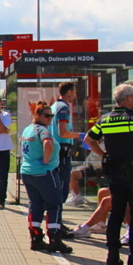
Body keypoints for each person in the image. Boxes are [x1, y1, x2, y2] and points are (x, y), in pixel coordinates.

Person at [85, 83, 133, 265]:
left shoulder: (105, 120)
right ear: (128, 98)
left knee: (116, 213)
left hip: (116, 172)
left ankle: (112, 256)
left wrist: (104, 155)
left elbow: (88, 140)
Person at [20, 101, 72, 253]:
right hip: (44, 172)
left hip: (27, 172)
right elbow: (48, 144)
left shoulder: (27, 130)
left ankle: (35, 238)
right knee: (54, 204)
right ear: (37, 116)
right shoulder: (43, 131)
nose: (50, 118)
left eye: (52, 116)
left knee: (35, 204)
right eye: (46, 115)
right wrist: (46, 160)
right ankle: (54, 239)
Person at [51, 82, 81, 237]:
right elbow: (63, 132)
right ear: (69, 92)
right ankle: (57, 225)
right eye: (74, 92)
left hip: (56, 152)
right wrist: (81, 136)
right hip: (62, 152)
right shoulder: (63, 108)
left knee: (57, 188)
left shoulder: (54, 106)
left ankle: (57, 223)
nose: (75, 95)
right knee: (61, 189)